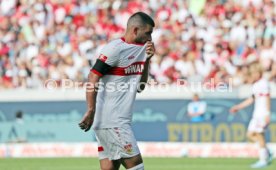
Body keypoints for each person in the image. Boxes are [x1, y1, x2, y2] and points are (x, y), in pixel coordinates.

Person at [79, 12, 155, 170]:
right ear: (135, 30)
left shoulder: (140, 51)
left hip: (111, 122)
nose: (150, 38)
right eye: (147, 33)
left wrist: (147, 60)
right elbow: (93, 75)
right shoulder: (114, 49)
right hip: (113, 122)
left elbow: (140, 87)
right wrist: (91, 109)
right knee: (136, 166)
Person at [229, 67, 273, 168]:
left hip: (262, 113)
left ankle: (263, 160)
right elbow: (251, 99)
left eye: (255, 73)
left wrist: (267, 113)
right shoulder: (256, 85)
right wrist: (238, 107)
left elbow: (267, 99)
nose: (253, 75)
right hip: (256, 114)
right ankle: (266, 151)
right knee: (250, 134)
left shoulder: (263, 83)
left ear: (259, 73)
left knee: (259, 134)